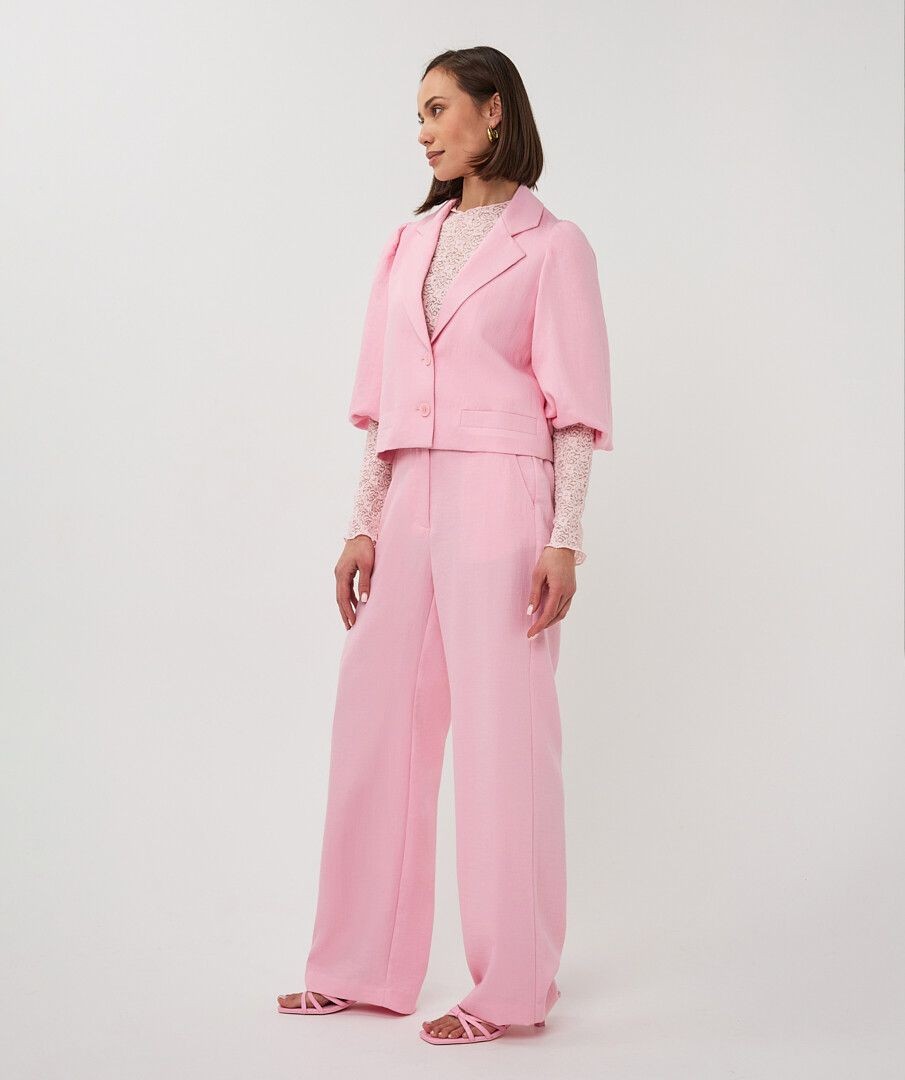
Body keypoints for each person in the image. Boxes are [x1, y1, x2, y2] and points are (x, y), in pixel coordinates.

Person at [277, 45, 613, 1046]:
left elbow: (572, 413)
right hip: (409, 493)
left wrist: (564, 538)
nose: (421, 130)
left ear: (491, 110)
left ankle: (510, 989)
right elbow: (383, 406)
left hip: (502, 495)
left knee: (505, 739)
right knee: (375, 726)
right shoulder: (406, 242)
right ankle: (359, 966)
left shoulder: (554, 246)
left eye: (436, 108)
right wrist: (361, 521)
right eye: (417, 114)